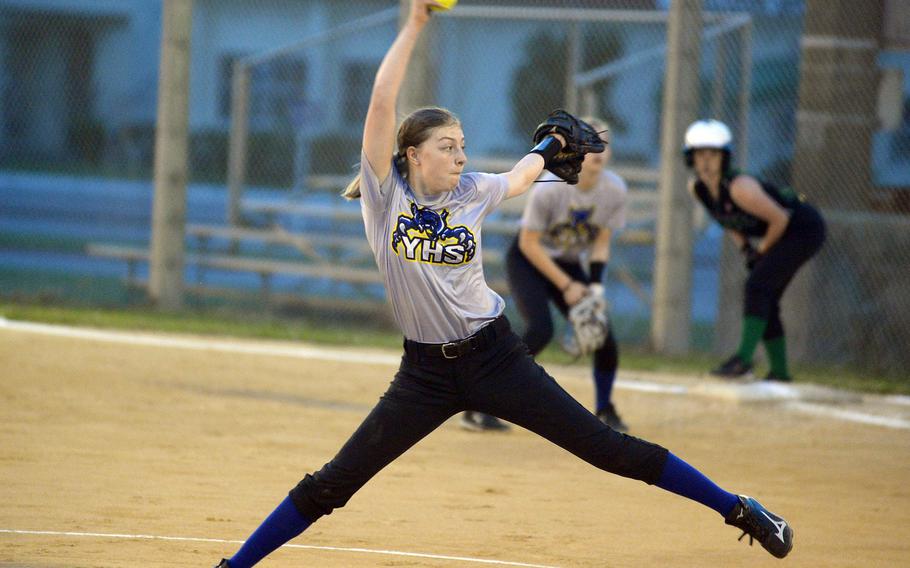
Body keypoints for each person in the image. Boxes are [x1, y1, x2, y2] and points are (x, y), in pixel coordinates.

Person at [213, 4, 793, 565]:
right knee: (333, 484)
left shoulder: (473, 192)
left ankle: (737, 508)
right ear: (412, 155)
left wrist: (546, 149)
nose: (460, 156)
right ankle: (234, 567)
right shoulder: (386, 193)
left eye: (463, 146)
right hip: (424, 376)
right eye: (447, 147)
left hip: (496, 357)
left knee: (606, 449)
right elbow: (382, 100)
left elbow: (521, 175)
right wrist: (415, 20)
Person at [504, 118, 629, 431]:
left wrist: (596, 290)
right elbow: (528, 244)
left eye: (603, 144)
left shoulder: (614, 190)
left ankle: (605, 408)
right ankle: (485, 400)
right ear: (576, 150)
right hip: (529, 260)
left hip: (570, 263)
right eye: (589, 142)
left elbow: (601, 244)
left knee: (602, 336)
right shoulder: (551, 186)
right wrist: (567, 285)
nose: (598, 151)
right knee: (540, 329)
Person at [683, 119, 826, 381]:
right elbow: (726, 219)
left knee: (757, 287)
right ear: (689, 157)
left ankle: (743, 361)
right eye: (699, 154)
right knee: (765, 296)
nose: (705, 161)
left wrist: (761, 253)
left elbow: (780, 219)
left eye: (712, 154)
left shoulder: (740, 187)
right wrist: (746, 249)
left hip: (803, 228)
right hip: (781, 231)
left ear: (724, 157)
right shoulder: (698, 189)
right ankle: (780, 373)